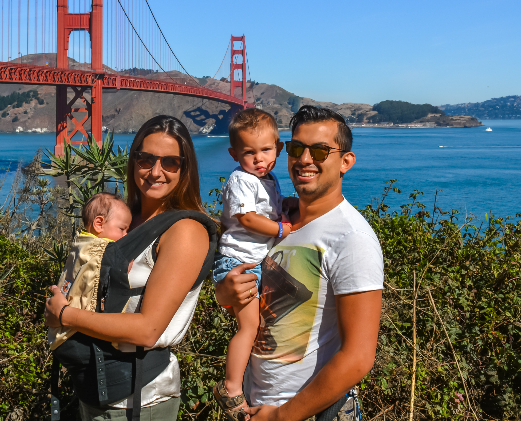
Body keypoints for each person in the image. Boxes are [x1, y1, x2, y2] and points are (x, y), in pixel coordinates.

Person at [215, 106, 384, 421]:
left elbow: (359, 358)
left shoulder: (351, 236)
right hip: (255, 405)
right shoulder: (276, 223)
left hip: (306, 413)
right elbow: (256, 304)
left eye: (320, 151)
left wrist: (282, 417)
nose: (305, 159)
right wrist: (224, 295)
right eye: (296, 148)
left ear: (345, 162)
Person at [45, 115, 213, 420]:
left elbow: (148, 331)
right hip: (95, 384)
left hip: (140, 396)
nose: (156, 171)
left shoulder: (184, 231)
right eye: (146, 159)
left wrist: (65, 315)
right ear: (133, 160)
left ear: (185, 169)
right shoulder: (124, 221)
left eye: (170, 162)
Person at [212, 109, 297, 420]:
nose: (259, 159)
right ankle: (231, 387)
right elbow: (247, 218)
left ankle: (249, 382)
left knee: (261, 326)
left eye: (266, 150)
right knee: (250, 327)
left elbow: (269, 209)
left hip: (256, 262)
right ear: (235, 154)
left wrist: (285, 207)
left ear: (278, 147)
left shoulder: (268, 178)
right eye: (249, 153)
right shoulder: (240, 179)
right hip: (240, 263)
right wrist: (280, 230)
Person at [48, 192, 132, 351]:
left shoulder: (80, 244)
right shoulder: (103, 250)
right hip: (79, 333)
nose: (125, 236)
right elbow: (120, 271)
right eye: (122, 229)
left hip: (60, 333)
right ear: (99, 224)